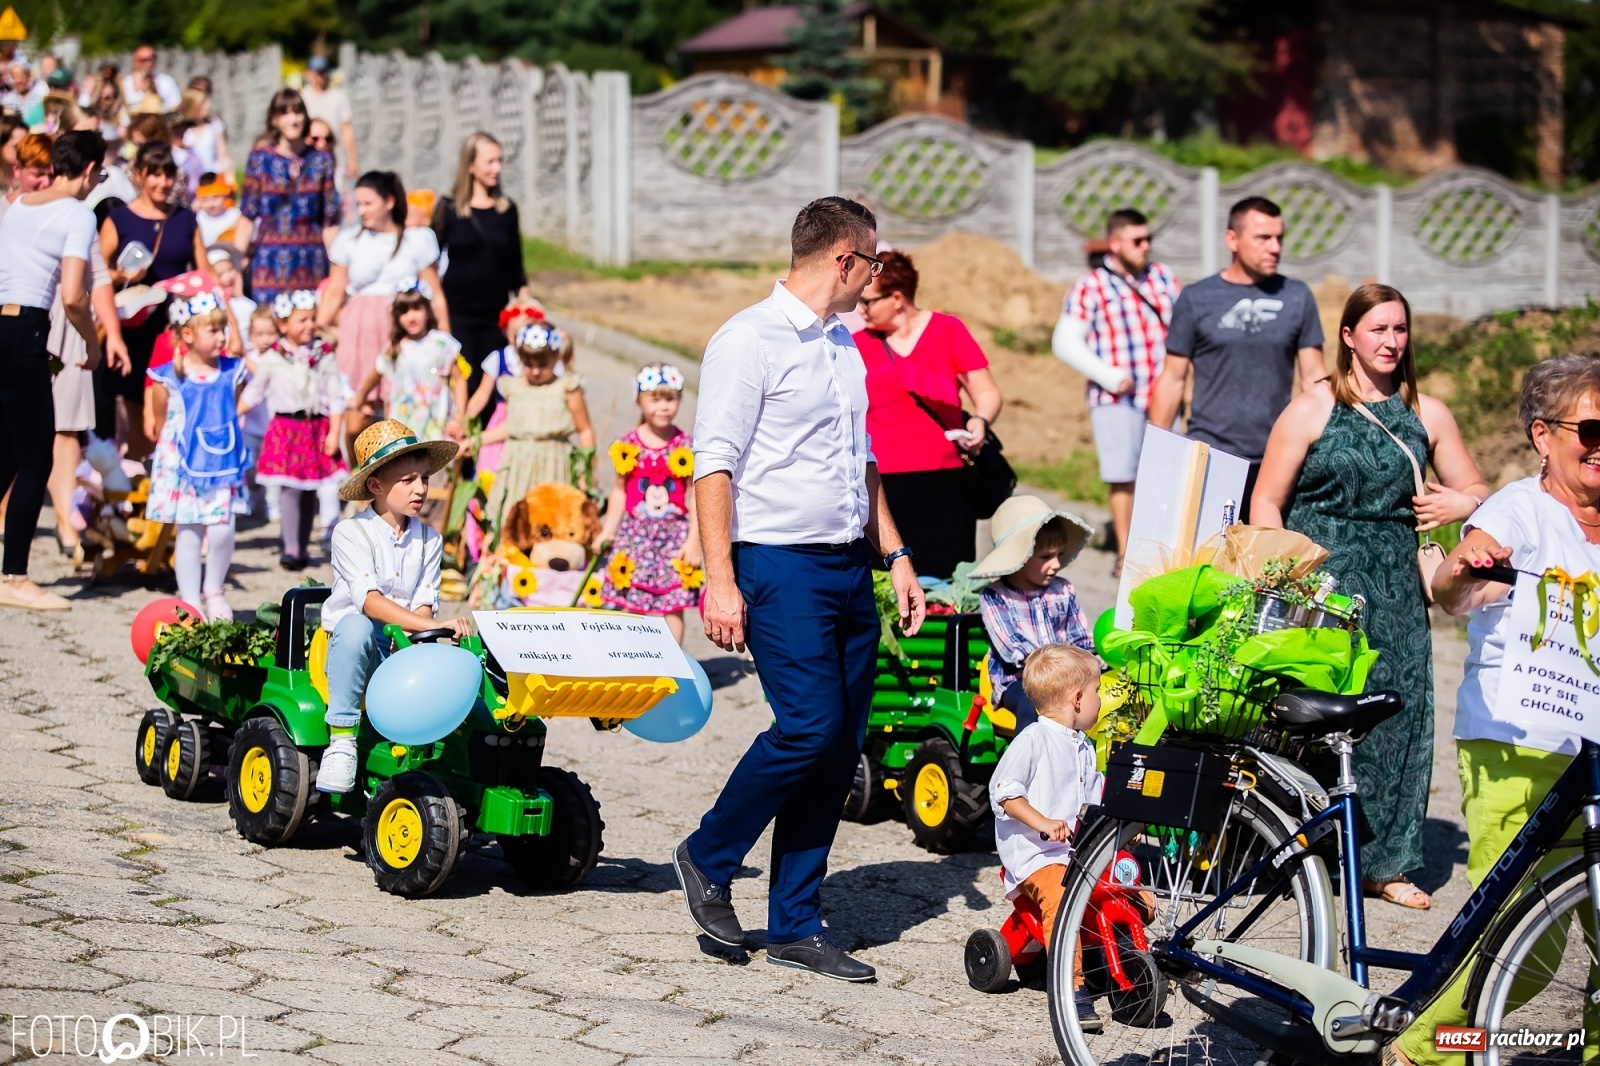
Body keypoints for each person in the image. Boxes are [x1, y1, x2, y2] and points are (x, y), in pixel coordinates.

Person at [671, 196, 926, 981]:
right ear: (844, 260)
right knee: (810, 727)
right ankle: (710, 853)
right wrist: (720, 581)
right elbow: (712, 461)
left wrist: (896, 555)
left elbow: (863, 461)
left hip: (848, 564)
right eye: (873, 261)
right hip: (777, 562)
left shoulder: (844, 343)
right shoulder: (748, 340)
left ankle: (795, 921)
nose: (877, 275)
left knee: (840, 746)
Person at [1392, 354, 1600, 1066]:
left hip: (1592, 755)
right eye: (1591, 429)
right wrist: (1462, 563)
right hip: (1518, 747)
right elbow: (1457, 591)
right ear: (1545, 436)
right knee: (1525, 944)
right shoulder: (1516, 509)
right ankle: (1423, 1052)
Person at [1252, 283, 1488, 910]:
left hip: (1395, 587)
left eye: (1400, 329)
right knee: (1310, 720)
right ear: (1349, 337)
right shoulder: (1312, 408)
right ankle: (1303, 855)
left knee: (1397, 717)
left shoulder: (1428, 413)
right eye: (1378, 329)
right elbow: (1268, 502)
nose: (1391, 341)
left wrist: (1461, 502)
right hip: (1320, 583)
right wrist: (1288, 577)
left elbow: (1478, 488)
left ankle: (1386, 865)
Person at [1149, 197, 1326, 520]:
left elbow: (1314, 378)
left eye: (1279, 238)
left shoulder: (1297, 296)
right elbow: (1173, 379)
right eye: (1263, 238)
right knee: (1209, 560)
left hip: (1280, 458)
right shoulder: (1196, 298)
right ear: (1232, 239)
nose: (1275, 248)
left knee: (1267, 567)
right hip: (1211, 454)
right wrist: (1157, 454)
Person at [317, 418, 462, 794]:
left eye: (424, 478)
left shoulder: (430, 540)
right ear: (376, 485)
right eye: (408, 480)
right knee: (356, 625)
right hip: (350, 646)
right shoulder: (351, 532)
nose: (420, 489)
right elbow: (369, 603)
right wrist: (423, 626)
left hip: (399, 643)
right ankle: (343, 740)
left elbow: (424, 607)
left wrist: (431, 628)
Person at [0, 129, 105, 611]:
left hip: (5, 324)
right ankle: (15, 576)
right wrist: (92, 341)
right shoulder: (77, 214)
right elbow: (71, 295)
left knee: (5, 454)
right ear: (87, 170)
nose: (97, 181)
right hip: (27, 331)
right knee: (35, 460)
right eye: (99, 173)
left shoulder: (19, 202)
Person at [852, 249, 1003, 579]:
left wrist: (980, 420)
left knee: (946, 582)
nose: (860, 309)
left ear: (896, 298)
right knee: (882, 582)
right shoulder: (855, 344)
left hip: (946, 484)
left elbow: (987, 392)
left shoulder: (948, 330)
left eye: (868, 301)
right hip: (881, 485)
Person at [1054, 208, 1181, 575]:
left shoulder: (1163, 277)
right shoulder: (1090, 286)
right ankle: (1127, 553)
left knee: (1166, 473)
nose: (1145, 246)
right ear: (1115, 242)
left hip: (1163, 393)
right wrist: (1107, 375)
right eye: (1137, 240)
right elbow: (1065, 341)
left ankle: (1163, 549)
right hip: (1115, 398)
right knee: (1122, 475)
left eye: (1148, 239)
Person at [988, 643, 1106, 1028]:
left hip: (1075, 854)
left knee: (1130, 894)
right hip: (1037, 856)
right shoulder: (1033, 739)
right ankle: (1070, 988)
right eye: (1097, 692)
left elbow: (1095, 796)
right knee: (1062, 898)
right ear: (1076, 698)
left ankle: (1119, 969)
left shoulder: (1085, 747)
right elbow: (1004, 791)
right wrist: (1042, 821)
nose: (1100, 700)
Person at [317, 170, 448, 442]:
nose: (361, 210)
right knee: (357, 414)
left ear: (389, 201)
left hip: (401, 330)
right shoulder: (349, 241)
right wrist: (317, 333)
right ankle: (356, 476)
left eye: (368, 203)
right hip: (358, 331)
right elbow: (334, 293)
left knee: (397, 408)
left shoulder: (417, 239)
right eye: (359, 204)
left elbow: (435, 293)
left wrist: (443, 339)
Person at [144, 293, 249, 620]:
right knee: (189, 531)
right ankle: (189, 599)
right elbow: (162, 419)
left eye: (224, 330)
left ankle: (214, 589)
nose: (221, 337)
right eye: (213, 331)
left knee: (222, 529)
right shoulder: (169, 376)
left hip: (220, 462)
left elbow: (234, 403)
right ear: (187, 335)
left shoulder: (233, 371)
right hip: (185, 463)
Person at [97, 141, 204, 458]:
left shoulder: (186, 219)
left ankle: (165, 482)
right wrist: (123, 275)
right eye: (154, 174)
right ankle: (141, 486)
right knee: (137, 411)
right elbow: (99, 276)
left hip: (175, 330)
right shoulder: (119, 219)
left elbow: (203, 271)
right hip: (133, 326)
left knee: (171, 408)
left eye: (168, 174)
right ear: (139, 176)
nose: (162, 182)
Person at [238, 290, 347, 570]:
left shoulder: (323, 354)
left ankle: (302, 544)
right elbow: (256, 389)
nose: (309, 325)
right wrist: (237, 413)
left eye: (312, 319)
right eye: (302, 320)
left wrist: (334, 433)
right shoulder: (274, 357)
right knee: (290, 488)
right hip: (286, 428)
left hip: (315, 428)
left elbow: (335, 397)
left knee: (310, 488)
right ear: (284, 325)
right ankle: (291, 547)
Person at [594, 364, 702, 643]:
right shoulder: (628, 444)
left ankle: (674, 667)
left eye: (671, 399)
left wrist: (694, 541)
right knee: (632, 604)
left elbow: (694, 496)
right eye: (655, 399)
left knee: (672, 607)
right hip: (635, 539)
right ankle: (634, 663)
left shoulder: (686, 445)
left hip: (673, 540)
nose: (663, 407)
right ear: (639, 400)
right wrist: (608, 531)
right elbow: (620, 491)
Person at [971, 495, 1096, 731]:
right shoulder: (996, 596)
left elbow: (1080, 638)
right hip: (1019, 682)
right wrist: (1060, 668)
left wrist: (1094, 662)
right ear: (1020, 557)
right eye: (1046, 557)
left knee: (1103, 699)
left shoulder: (1063, 589)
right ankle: (1030, 761)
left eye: (1059, 555)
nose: (1057, 564)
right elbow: (1013, 647)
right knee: (1033, 704)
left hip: (1068, 681)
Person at [47, 197, 127, 559]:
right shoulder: (75, 241)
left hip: (90, 351)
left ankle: (70, 518)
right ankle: (61, 518)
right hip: (66, 343)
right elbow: (73, 299)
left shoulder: (100, 264)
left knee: (74, 434)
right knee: (52, 434)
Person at [431, 132, 531, 418]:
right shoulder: (448, 209)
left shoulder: (507, 210)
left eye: (500, 161)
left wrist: (526, 310)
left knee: (493, 390)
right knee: (464, 383)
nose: (497, 168)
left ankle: (484, 460)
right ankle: (459, 456)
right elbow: (430, 261)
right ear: (471, 165)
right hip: (457, 316)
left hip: (495, 320)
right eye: (490, 161)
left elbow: (517, 269)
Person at [480, 322, 593, 530]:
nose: (535, 370)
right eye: (528, 363)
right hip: (517, 466)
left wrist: (588, 473)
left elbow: (585, 430)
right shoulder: (513, 387)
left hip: (554, 463)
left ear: (556, 356)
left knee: (549, 524)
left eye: (542, 364)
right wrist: (475, 440)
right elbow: (513, 427)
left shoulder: (566, 387)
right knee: (515, 524)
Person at [239, 89, 340, 302]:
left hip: (310, 262)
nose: (293, 119)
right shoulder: (260, 158)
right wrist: (235, 261)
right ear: (274, 120)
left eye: (297, 113)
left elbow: (329, 221)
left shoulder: (321, 160)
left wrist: (337, 267)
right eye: (285, 113)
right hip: (269, 263)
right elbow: (247, 215)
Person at [462, 297, 550, 471]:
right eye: (516, 334)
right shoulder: (500, 358)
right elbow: (481, 395)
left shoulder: (544, 366)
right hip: (502, 423)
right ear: (506, 332)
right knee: (493, 469)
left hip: (533, 422)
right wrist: (464, 422)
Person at [299, 56, 357, 185]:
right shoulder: (303, 96)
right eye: (317, 72)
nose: (320, 76)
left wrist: (352, 159)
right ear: (309, 73)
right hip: (309, 156)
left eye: (323, 72)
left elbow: (346, 129)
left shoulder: (338, 96)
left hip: (335, 157)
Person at [178, 81, 230, 176]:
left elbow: (223, 156)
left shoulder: (214, 124)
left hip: (212, 181)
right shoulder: (180, 129)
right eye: (203, 103)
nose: (208, 106)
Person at [192, 174, 250, 252]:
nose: (210, 204)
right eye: (204, 199)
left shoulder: (237, 217)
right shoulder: (195, 219)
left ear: (225, 195)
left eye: (215, 197)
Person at [120, 46, 180, 114]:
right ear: (134, 62)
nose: (148, 64)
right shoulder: (125, 84)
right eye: (143, 60)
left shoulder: (167, 82)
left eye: (151, 59)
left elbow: (175, 106)